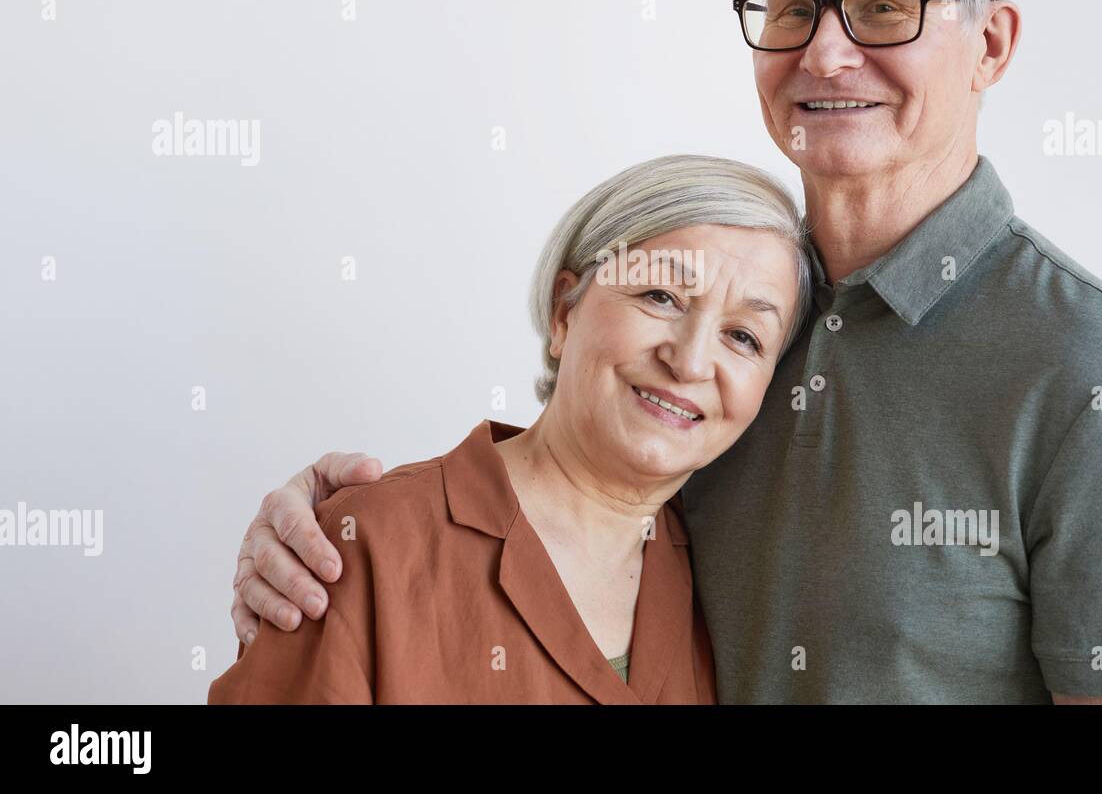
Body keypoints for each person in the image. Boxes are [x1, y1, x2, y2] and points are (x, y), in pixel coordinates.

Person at [224, 0, 1102, 704]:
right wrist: (339, 545)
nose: (827, 53)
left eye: (883, 8)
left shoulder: (1094, 375)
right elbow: (548, 514)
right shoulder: (744, 319)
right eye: (792, 9)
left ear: (991, 44)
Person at [208, 155, 810, 703]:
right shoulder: (357, 548)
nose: (691, 361)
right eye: (660, 295)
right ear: (562, 311)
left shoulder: (730, 582)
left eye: (743, 338)